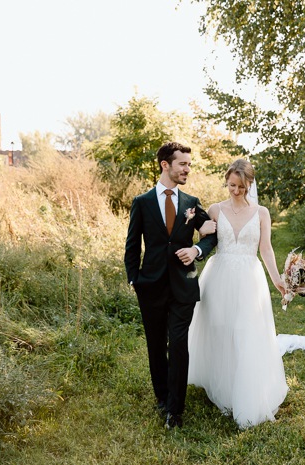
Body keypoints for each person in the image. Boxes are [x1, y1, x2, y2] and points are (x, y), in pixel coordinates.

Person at [188, 159, 289, 429]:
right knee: (220, 329)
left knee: (245, 331)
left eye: (241, 187)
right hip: (219, 276)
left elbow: (265, 249)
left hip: (248, 278)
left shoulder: (262, 213)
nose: (235, 191)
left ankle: (245, 389)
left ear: (249, 185)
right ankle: (223, 384)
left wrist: (277, 279)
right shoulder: (215, 209)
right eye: (231, 185)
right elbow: (207, 240)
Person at [124, 142, 218, 429]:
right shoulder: (142, 202)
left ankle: (175, 410)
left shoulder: (191, 202)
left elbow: (212, 234)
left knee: (178, 344)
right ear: (166, 165)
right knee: (156, 345)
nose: (187, 169)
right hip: (150, 284)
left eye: (189, 164)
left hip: (183, 285)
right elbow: (132, 245)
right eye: (183, 164)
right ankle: (163, 397)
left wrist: (197, 250)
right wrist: (133, 279)